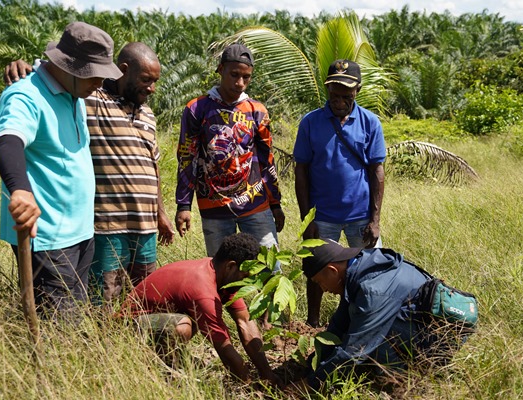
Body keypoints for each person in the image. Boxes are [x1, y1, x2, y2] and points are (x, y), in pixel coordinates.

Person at [4, 43, 176, 305]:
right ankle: (103, 342)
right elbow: (62, 77)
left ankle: (137, 342)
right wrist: (25, 65)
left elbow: (153, 167)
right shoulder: (92, 100)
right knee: (103, 297)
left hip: (146, 225)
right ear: (123, 71)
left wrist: (161, 214)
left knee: (144, 295)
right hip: (109, 223)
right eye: (145, 79)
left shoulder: (148, 115)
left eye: (155, 82)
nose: (151, 88)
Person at [0, 22, 123, 320]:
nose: (100, 84)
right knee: (61, 328)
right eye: (96, 74)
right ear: (71, 68)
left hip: (80, 232)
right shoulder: (25, 95)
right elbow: (8, 140)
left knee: (76, 316)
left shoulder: (75, 93)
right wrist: (21, 190)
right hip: (49, 238)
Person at [290, 239, 474, 393]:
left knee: (372, 337)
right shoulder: (360, 267)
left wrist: (308, 386)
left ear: (332, 270)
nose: (324, 289)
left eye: (320, 283)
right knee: (358, 324)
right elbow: (338, 325)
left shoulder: (373, 291)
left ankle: (403, 384)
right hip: (416, 322)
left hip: (439, 339)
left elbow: (355, 350)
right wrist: (311, 365)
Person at [293, 59, 386, 327]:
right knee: (316, 269)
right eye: (334, 91)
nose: (339, 98)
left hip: (360, 215)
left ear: (357, 90)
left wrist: (375, 219)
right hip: (322, 217)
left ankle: (361, 323)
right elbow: (302, 172)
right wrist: (307, 219)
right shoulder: (311, 123)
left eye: (346, 93)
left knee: (367, 272)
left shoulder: (370, 123)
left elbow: (377, 172)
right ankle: (312, 322)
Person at [122, 232, 281, 386]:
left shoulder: (223, 278)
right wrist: (247, 384)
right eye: (245, 276)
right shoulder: (202, 287)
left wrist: (267, 373)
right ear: (231, 266)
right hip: (128, 328)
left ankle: (172, 360)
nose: (247, 282)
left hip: (156, 322)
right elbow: (223, 346)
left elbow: (245, 322)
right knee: (183, 326)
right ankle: (159, 367)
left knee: (190, 322)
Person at [175, 43, 285, 257]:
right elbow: (187, 158)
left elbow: (267, 160)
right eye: (234, 75)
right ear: (220, 69)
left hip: (255, 204)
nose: (240, 83)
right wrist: (183, 205)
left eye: (247, 77)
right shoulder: (197, 109)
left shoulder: (257, 111)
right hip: (214, 208)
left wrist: (275, 203)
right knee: (221, 274)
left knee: (270, 268)